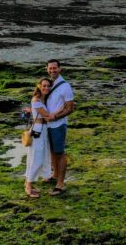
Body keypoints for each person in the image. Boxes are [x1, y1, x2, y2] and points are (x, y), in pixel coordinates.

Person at [43, 59, 75, 195]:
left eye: (55, 68)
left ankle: (60, 184)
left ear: (60, 69)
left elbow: (70, 108)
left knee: (60, 153)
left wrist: (55, 117)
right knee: (52, 151)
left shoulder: (65, 86)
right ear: (47, 69)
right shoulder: (48, 84)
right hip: (48, 125)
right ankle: (55, 174)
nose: (52, 70)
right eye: (50, 68)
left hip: (58, 124)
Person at [24, 78, 54, 198]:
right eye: (44, 86)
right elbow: (47, 115)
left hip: (43, 130)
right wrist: (64, 110)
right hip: (38, 130)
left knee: (38, 156)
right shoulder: (36, 99)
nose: (46, 88)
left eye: (48, 86)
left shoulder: (43, 99)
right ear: (39, 86)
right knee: (37, 157)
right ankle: (28, 185)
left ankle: (28, 182)